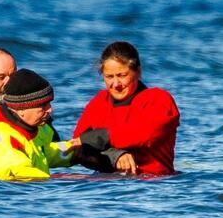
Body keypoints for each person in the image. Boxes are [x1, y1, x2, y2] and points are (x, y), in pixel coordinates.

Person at [0, 69, 79, 181]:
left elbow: (43, 151)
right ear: (21, 109)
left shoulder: (28, 125)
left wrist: (78, 150)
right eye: (43, 105)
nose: (50, 110)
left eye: (49, 103)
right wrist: (67, 181)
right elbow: (19, 173)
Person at [74, 41, 179, 175]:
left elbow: (145, 134)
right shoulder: (99, 101)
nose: (116, 83)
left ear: (138, 72)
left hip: (152, 183)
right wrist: (115, 156)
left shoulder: (159, 99)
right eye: (109, 77)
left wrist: (101, 137)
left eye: (122, 75)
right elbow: (77, 146)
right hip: (103, 184)